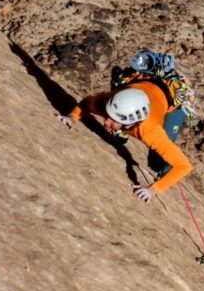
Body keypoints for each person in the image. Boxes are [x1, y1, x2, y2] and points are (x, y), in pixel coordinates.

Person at [57, 80, 192, 202]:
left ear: (129, 124)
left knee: (157, 163)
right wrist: (72, 117)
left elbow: (183, 165)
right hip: (144, 84)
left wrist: (154, 189)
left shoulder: (150, 131)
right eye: (107, 116)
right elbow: (86, 103)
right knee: (117, 133)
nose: (106, 122)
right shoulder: (108, 103)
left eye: (114, 120)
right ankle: (120, 133)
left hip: (172, 100)